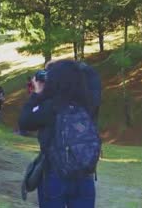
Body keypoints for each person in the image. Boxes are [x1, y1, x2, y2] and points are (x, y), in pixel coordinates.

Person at [18, 60, 100, 207]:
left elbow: (24, 121)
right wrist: (71, 65)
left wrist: (37, 93)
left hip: (54, 176)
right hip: (85, 177)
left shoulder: (51, 107)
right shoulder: (89, 105)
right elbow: (93, 77)